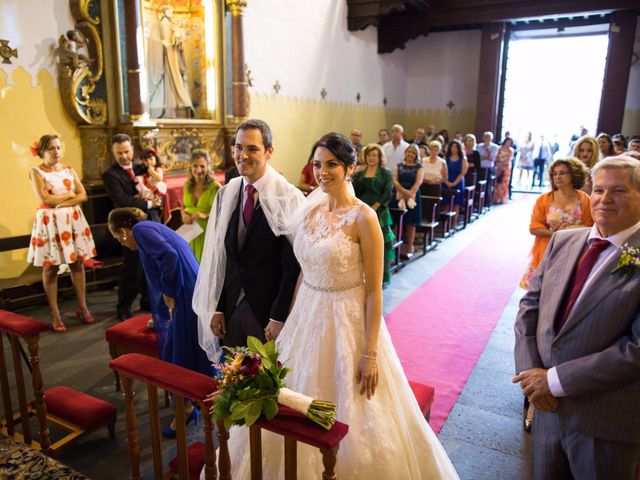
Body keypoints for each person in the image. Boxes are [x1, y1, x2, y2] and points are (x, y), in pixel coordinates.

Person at [209, 132, 459, 479]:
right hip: (307, 316)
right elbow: (302, 271)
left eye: (331, 165)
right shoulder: (310, 208)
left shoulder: (363, 218)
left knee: (353, 407)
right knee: (291, 396)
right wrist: (285, 319)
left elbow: (374, 291)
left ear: (350, 168)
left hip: (347, 318)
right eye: (317, 165)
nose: (322, 172)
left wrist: (370, 353)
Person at [513, 156, 640, 479]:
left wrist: (553, 381)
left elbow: (636, 350)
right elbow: (530, 306)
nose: (604, 199)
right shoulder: (563, 240)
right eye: (598, 189)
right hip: (545, 409)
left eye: (619, 191)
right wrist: (531, 376)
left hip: (603, 419)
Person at [193, 119, 304, 357]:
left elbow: (293, 267)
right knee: (233, 377)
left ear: (269, 152)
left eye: (252, 148)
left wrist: (279, 316)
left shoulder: (288, 197)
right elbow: (220, 257)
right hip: (232, 307)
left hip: (267, 313)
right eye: (238, 147)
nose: (243, 155)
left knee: (266, 384)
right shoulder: (227, 194)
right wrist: (217, 307)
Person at [108, 207, 212, 437]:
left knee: (179, 351)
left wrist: (169, 292)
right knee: (183, 347)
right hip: (188, 285)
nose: (122, 243)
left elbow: (169, 256)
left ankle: (189, 407)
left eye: (118, 238)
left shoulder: (141, 230)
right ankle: (189, 405)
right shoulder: (150, 227)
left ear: (123, 232)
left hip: (183, 289)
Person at [27, 134, 96, 332]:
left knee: (77, 264)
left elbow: (83, 195)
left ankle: (82, 307)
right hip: (50, 222)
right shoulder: (37, 172)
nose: (56, 151)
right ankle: (55, 313)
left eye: (58, 147)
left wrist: (61, 200)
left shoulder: (68, 169)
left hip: (71, 220)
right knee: (51, 267)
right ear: (42, 151)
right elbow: (45, 199)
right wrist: (69, 195)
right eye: (51, 148)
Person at [102, 133, 158, 321]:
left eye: (126, 152)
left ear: (133, 150)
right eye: (119, 153)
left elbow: (156, 180)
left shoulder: (140, 167)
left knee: (150, 263)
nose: (124, 156)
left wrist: (152, 199)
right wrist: (150, 204)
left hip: (149, 221)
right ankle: (123, 307)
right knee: (132, 267)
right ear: (113, 152)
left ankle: (147, 301)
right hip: (128, 227)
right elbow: (122, 201)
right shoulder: (110, 174)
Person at [519, 158, 593, 289]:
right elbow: (534, 227)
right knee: (538, 293)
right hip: (547, 249)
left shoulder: (584, 199)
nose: (558, 176)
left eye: (563, 173)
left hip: (573, 250)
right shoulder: (544, 199)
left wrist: (568, 231)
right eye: (555, 174)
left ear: (574, 174)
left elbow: (590, 227)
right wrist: (554, 234)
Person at [352, 143, 395, 288]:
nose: (371, 158)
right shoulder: (359, 174)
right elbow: (355, 194)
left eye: (374, 155)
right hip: (361, 212)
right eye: (369, 155)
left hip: (380, 212)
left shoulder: (386, 173)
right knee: (362, 245)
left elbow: (388, 192)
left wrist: (375, 206)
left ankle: (382, 278)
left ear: (379, 157)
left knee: (382, 245)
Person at [147, 5, 194, 118]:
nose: (172, 13)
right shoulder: (160, 24)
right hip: (166, 54)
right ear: (165, 11)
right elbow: (154, 40)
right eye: (170, 11)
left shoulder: (172, 25)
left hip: (173, 53)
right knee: (168, 75)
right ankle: (169, 101)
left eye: (172, 11)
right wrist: (162, 43)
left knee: (176, 76)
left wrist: (178, 40)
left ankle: (179, 100)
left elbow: (176, 39)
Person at [181, 149, 220, 262]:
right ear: (190, 167)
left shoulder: (215, 186)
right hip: (189, 232)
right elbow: (183, 206)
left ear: (208, 167)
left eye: (202, 166)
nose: (199, 170)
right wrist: (183, 215)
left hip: (207, 232)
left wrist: (205, 215)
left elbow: (223, 211)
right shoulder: (187, 185)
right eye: (195, 166)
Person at [391, 144, 424, 257]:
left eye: (413, 153)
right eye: (409, 152)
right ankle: (395, 245)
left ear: (416, 155)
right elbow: (395, 180)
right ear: (405, 153)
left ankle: (410, 245)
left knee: (411, 222)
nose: (410, 154)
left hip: (413, 195)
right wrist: (403, 191)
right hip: (399, 193)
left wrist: (410, 193)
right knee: (397, 221)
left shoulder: (419, 167)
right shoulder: (399, 166)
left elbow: (418, 182)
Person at [444, 139, 468, 226]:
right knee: (446, 203)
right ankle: (447, 223)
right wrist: (446, 181)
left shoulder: (463, 159)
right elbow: (443, 170)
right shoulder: (446, 158)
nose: (454, 149)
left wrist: (454, 183)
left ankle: (453, 223)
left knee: (455, 204)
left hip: (458, 181)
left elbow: (463, 172)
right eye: (452, 147)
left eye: (456, 147)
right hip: (446, 180)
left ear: (459, 148)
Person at [477, 131, 499, 199]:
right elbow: (478, 157)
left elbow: (492, 158)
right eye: (485, 137)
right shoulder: (480, 146)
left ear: (491, 138)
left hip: (489, 168)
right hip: (480, 167)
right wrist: (486, 157)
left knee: (487, 185)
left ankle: (486, 200)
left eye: (488, 137)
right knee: (479, 184)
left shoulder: (494, 147)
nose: (486, 138)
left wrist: (488, 151)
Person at [493, 138, 514, 204]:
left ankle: (502, 198)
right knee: (498, 183)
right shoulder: (499, 148)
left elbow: (509, 158)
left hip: (506, 168)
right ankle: (496, 198)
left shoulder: (511, 150)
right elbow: (496, 157)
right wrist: (499, 162)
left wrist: (503, 162)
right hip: (499, 166)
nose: (508, 143)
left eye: (510, 142)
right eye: (507, 141)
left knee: (504, 183)